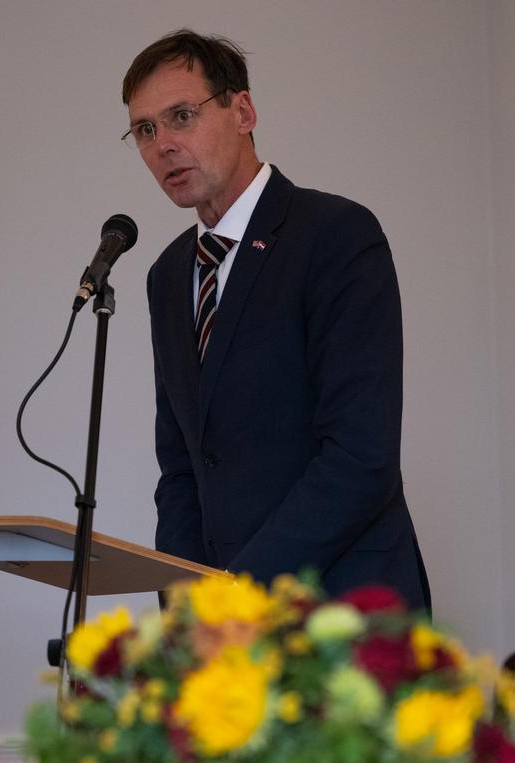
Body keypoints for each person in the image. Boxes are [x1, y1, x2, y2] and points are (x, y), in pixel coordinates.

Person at [122, 30, 430, 610]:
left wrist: (240, 594)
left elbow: (360, 458)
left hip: (343, 614)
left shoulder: (336, 236)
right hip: (226, 636)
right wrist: (187, 603)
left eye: (181, 116)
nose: (162, 144)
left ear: (242, 110)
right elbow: (183, 467)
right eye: (145, 130)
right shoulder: (167, 276)